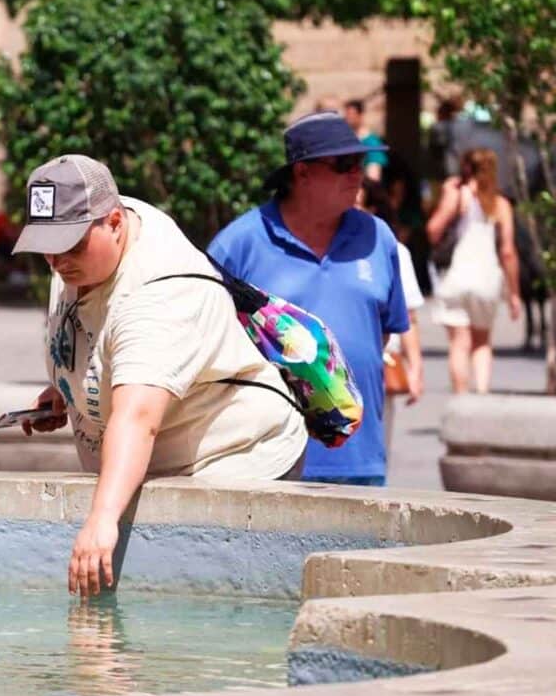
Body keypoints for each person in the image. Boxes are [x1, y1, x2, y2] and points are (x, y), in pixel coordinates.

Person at [15, 155, 307, 598]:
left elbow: (137, 418)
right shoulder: (86, 253)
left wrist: (101, 520)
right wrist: (68, 393)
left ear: (114, 222)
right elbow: (102, 346)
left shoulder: (160, 294)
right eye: (47, 245)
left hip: (234, 460)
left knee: (198, 621)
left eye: (72, 244)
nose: (57, 261)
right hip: (152, 456)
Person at [209, 112, 410, 487]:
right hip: (268, 461)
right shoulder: (237, 245)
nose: (358, 175)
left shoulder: (378, 237)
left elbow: (380, 336)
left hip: (361, 462)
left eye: (361, 163)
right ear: (302, 173)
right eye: (345, 165)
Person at [426, 148, 521, 394]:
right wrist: (514, 294)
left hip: (456, 276)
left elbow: (433, 230)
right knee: (482, 343)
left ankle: (461, 399)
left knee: (459, 343)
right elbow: (508, 252)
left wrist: (447, 195)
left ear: (466, 167)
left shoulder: (458, 195)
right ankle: (481, 396)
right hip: (487, 279)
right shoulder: (501, 204)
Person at [357, 179, 423, 469]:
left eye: (358, 204)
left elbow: (408, 316)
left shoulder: (392, 249)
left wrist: (416, 368)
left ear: (373, 208)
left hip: (378, 368)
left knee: (376, 450)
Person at [343, 98, 389, 183]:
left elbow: (373, 176)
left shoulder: (372, 143)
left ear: (360, 115)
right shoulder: (345, 141)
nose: (347, 118)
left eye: (351, 114)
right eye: (346, 115)